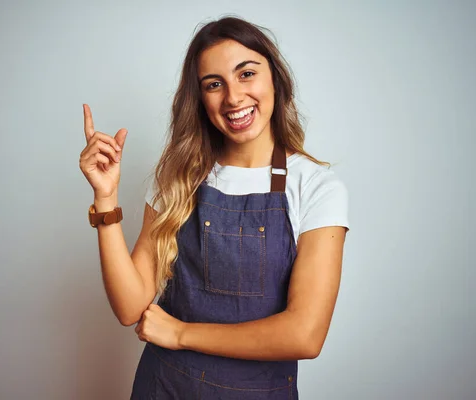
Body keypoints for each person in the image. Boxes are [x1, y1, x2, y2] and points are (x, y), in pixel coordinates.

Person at [79, 16, 349, 400]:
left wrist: (180, 334)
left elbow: (305, 335)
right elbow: (129, 307)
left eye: (247, 74)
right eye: (214, 84)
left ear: (275, 78)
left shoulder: (317, 186)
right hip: (165, 388)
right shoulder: (177, 177)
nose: (234, 97)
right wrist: (105, 199)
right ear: (200, 97)